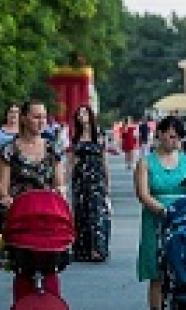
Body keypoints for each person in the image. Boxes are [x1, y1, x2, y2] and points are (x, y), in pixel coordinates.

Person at [134, 116, 186, 310]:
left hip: (183, 221)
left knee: (183, 270)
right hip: (157, 219)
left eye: (178, 138)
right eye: (171, 136)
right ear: (160, 134)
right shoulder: (145, 163)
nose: (174, 142)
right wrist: (165, 211)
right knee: (157, 274)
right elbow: (143, 194)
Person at [0, 99, 66, 300]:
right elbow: (2, 185)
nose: (41, 121)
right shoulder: (9, 150)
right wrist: (6, 198)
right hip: (22, 215)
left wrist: (60, 191)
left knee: (51, 266)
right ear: (24, 119)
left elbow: (59, 181)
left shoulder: (53, 148)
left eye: (44, 117)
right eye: (36, 117)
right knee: (23, 268)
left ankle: (51, 302)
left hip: (48, 214)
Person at [70, 104, 111, 262]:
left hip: (96, 176)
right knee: (81, 211)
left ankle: (97, 248)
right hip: (80, 177)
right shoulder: (76, 136)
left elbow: (104, 159)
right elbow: (72, 161)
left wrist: (107, 183)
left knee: (97, 212)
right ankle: (82, 248)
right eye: (79, 113)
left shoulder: (98, 134)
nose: (82, 116)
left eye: (84, 112)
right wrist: (66, 182)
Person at [0, 103, 20, 236]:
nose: (13, 115)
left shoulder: (24, 131)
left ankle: (17, 238)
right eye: (11, 112)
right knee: (1, 206)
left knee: (17, 206)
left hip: (18, 171)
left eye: (16, 112)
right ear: (6, 114)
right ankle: (1, 241)